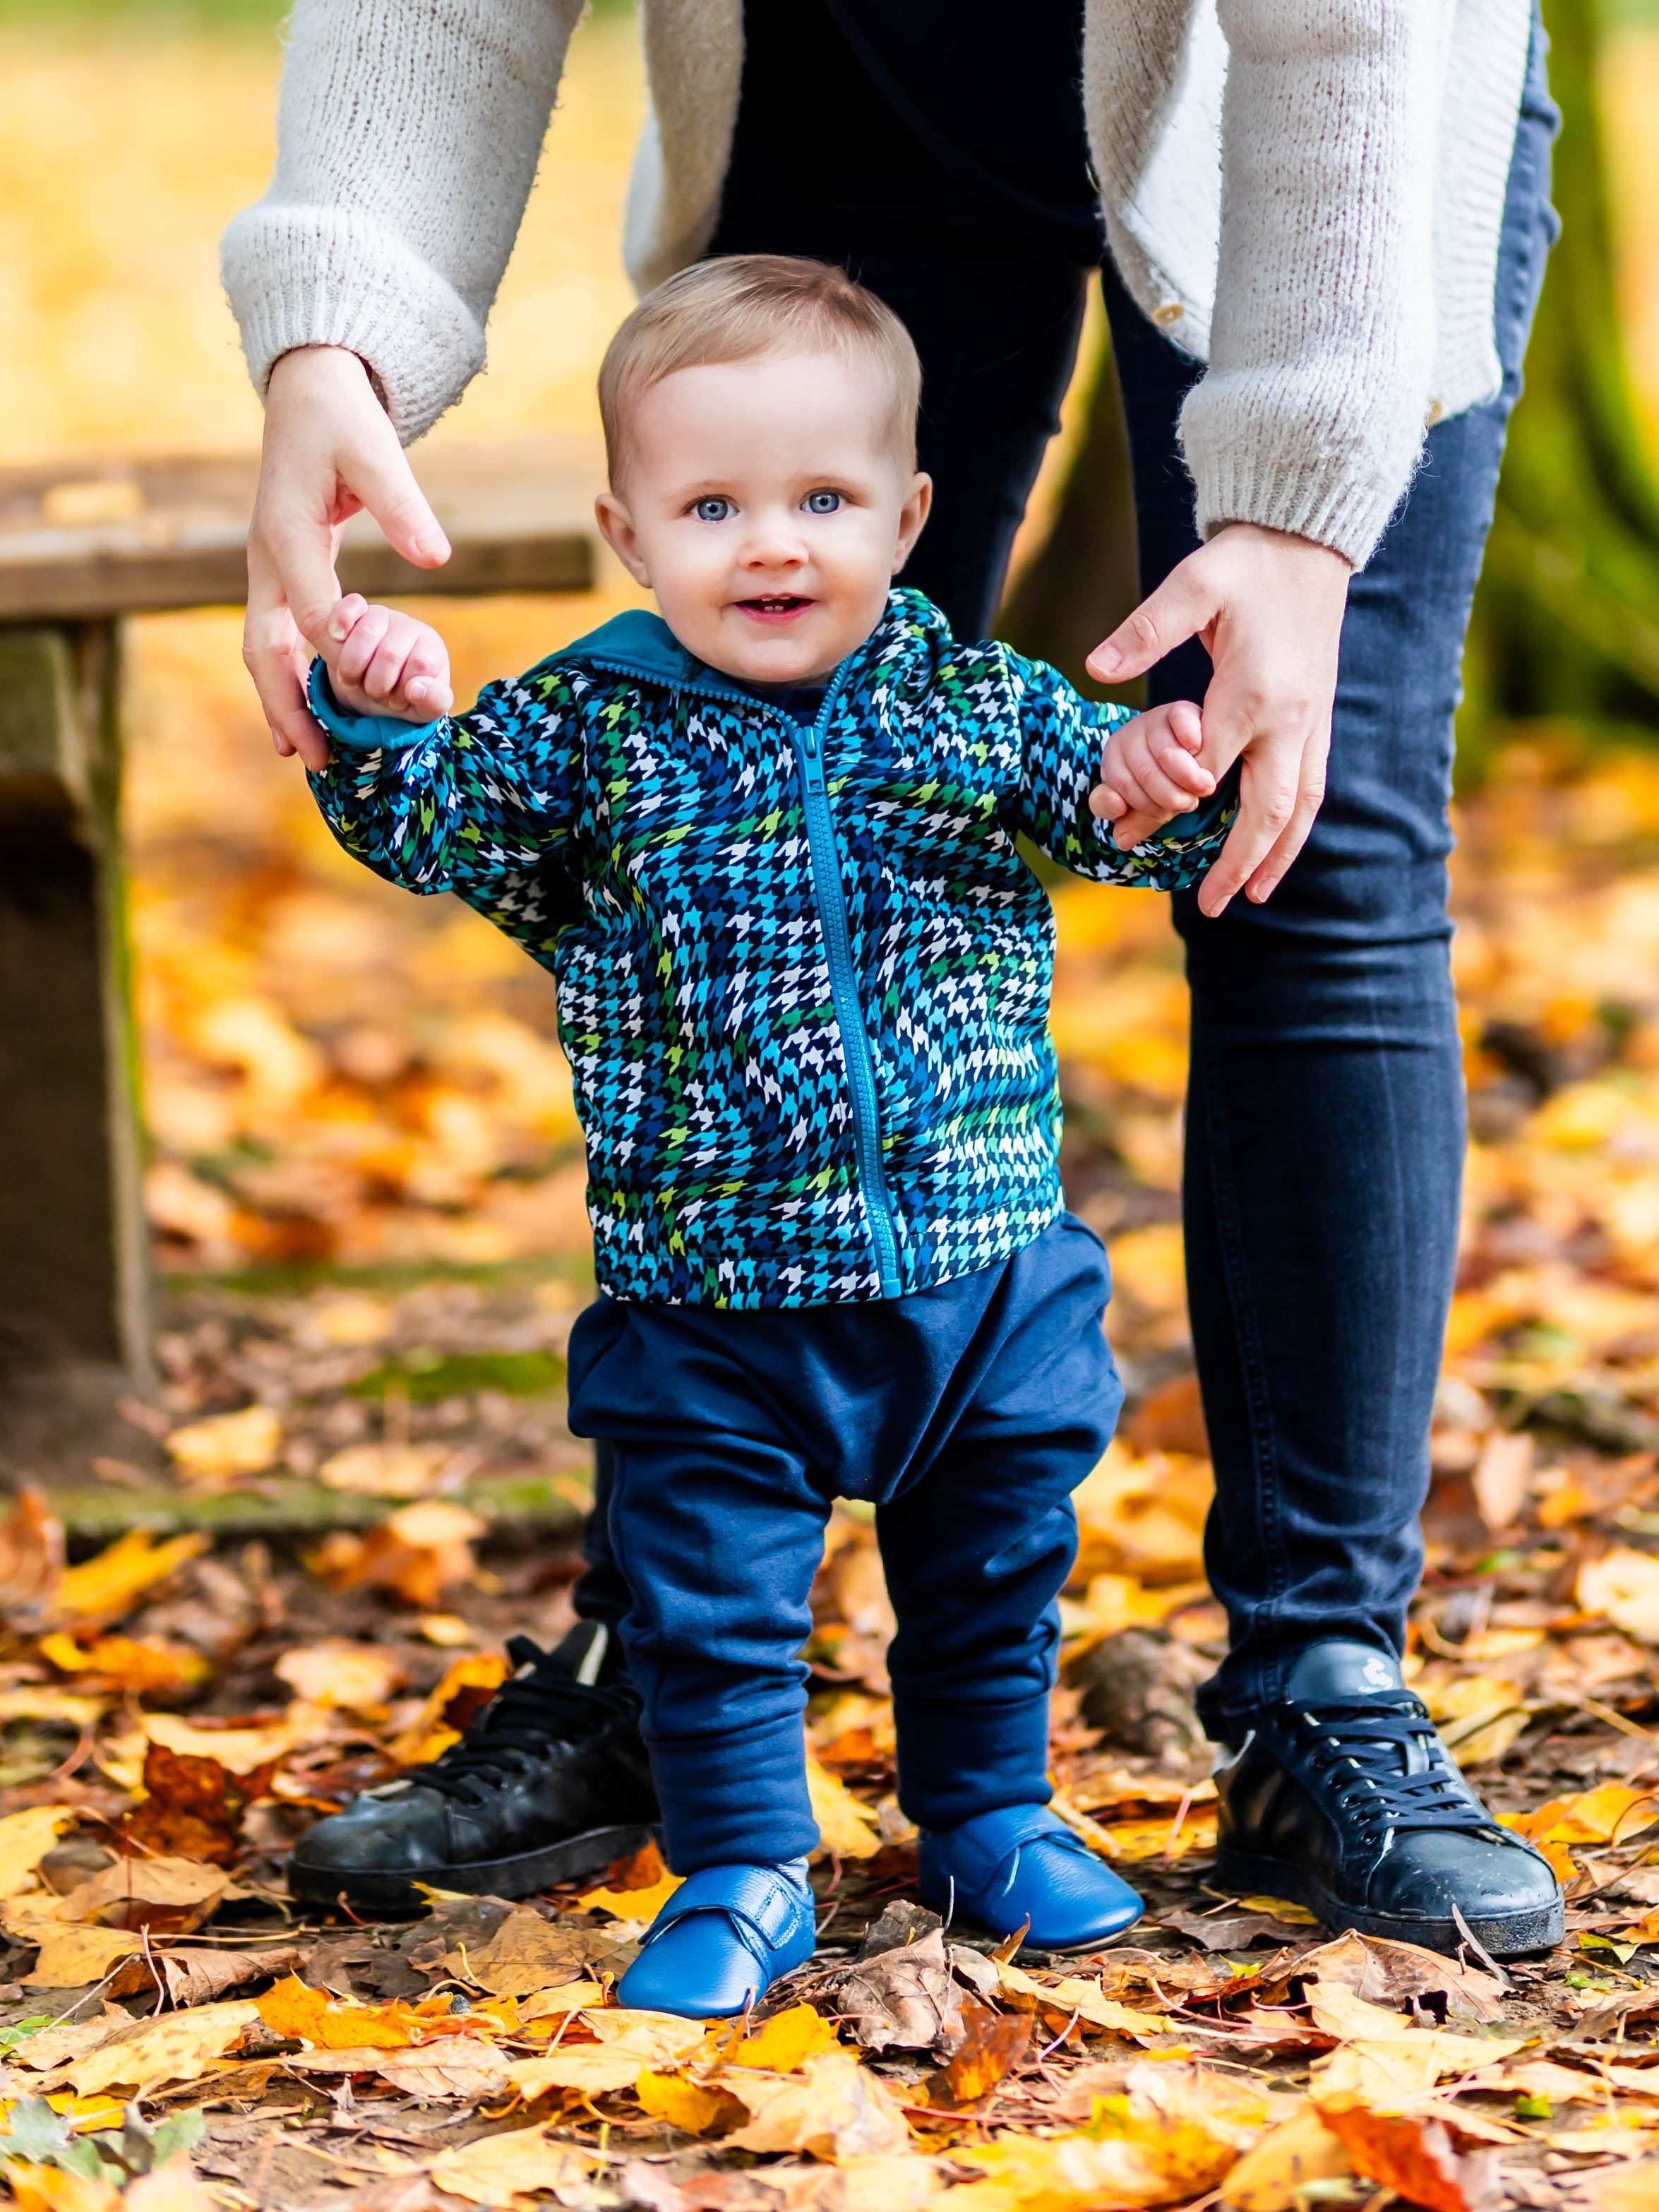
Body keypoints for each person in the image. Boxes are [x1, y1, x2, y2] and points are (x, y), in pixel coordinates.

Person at [223, 0, 1566, 1953]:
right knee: (748, 722)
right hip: (859, 64)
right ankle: (667, 1667)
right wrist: (337, 324)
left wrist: (1290, 502)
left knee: (1307, 814)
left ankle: (1316, 1685)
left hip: (1320, 104)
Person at [287, 255, 1250, 2012]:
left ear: (909, 512)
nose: (774, 545)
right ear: (628, 531)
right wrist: (379, 705)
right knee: (710, 1605)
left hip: (977, 1269)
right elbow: (433, 827)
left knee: (990, 1568)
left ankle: (986, 1813)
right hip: (707, 1298)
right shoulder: (588, 728)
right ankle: (740, 1862)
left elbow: (1106, 815)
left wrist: (1154, 783)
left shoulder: (967, 702)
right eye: (713, 504)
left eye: (823, 499)